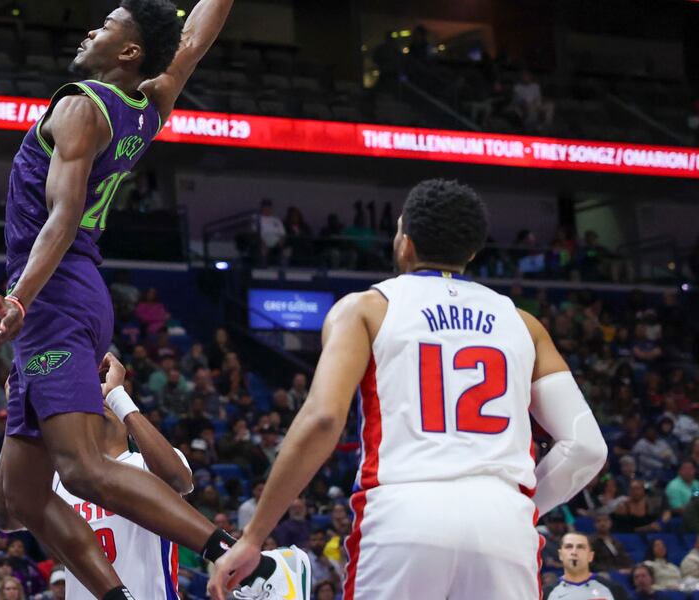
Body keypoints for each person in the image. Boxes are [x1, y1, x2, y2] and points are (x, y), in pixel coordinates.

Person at [0, 5, 306, 593]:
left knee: (84, 470)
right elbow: (193, 41)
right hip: (70, 290)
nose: (90, 30)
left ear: (130, 51)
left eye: (105, 25)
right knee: (23, 498)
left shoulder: (80, 107)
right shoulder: (148, 105)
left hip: (53, 292)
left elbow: (63, 216)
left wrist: (20, 297)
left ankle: (249, 567)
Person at [212, 180, 608, 600]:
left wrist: (254, 535)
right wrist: (520, 504)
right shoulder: (524, 324)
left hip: (404, 513)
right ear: (472, 252)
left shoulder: (366, 308)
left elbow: (324, 418)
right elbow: (586, 447)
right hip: (504, 521)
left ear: (406, 243)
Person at [56, 354, 285, 600]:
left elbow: (179, 480)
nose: (99, 398)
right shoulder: (64, 477)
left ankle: (270, 570)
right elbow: (19, 510)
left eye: (107, 399)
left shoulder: (145, 464)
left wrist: (117, 395)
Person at [543, 532, 627, 599]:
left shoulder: (614, 589)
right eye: (569, 547)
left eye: (580, 547)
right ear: (560, 555)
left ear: (590, 556)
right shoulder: (546, 593)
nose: (574, 552)